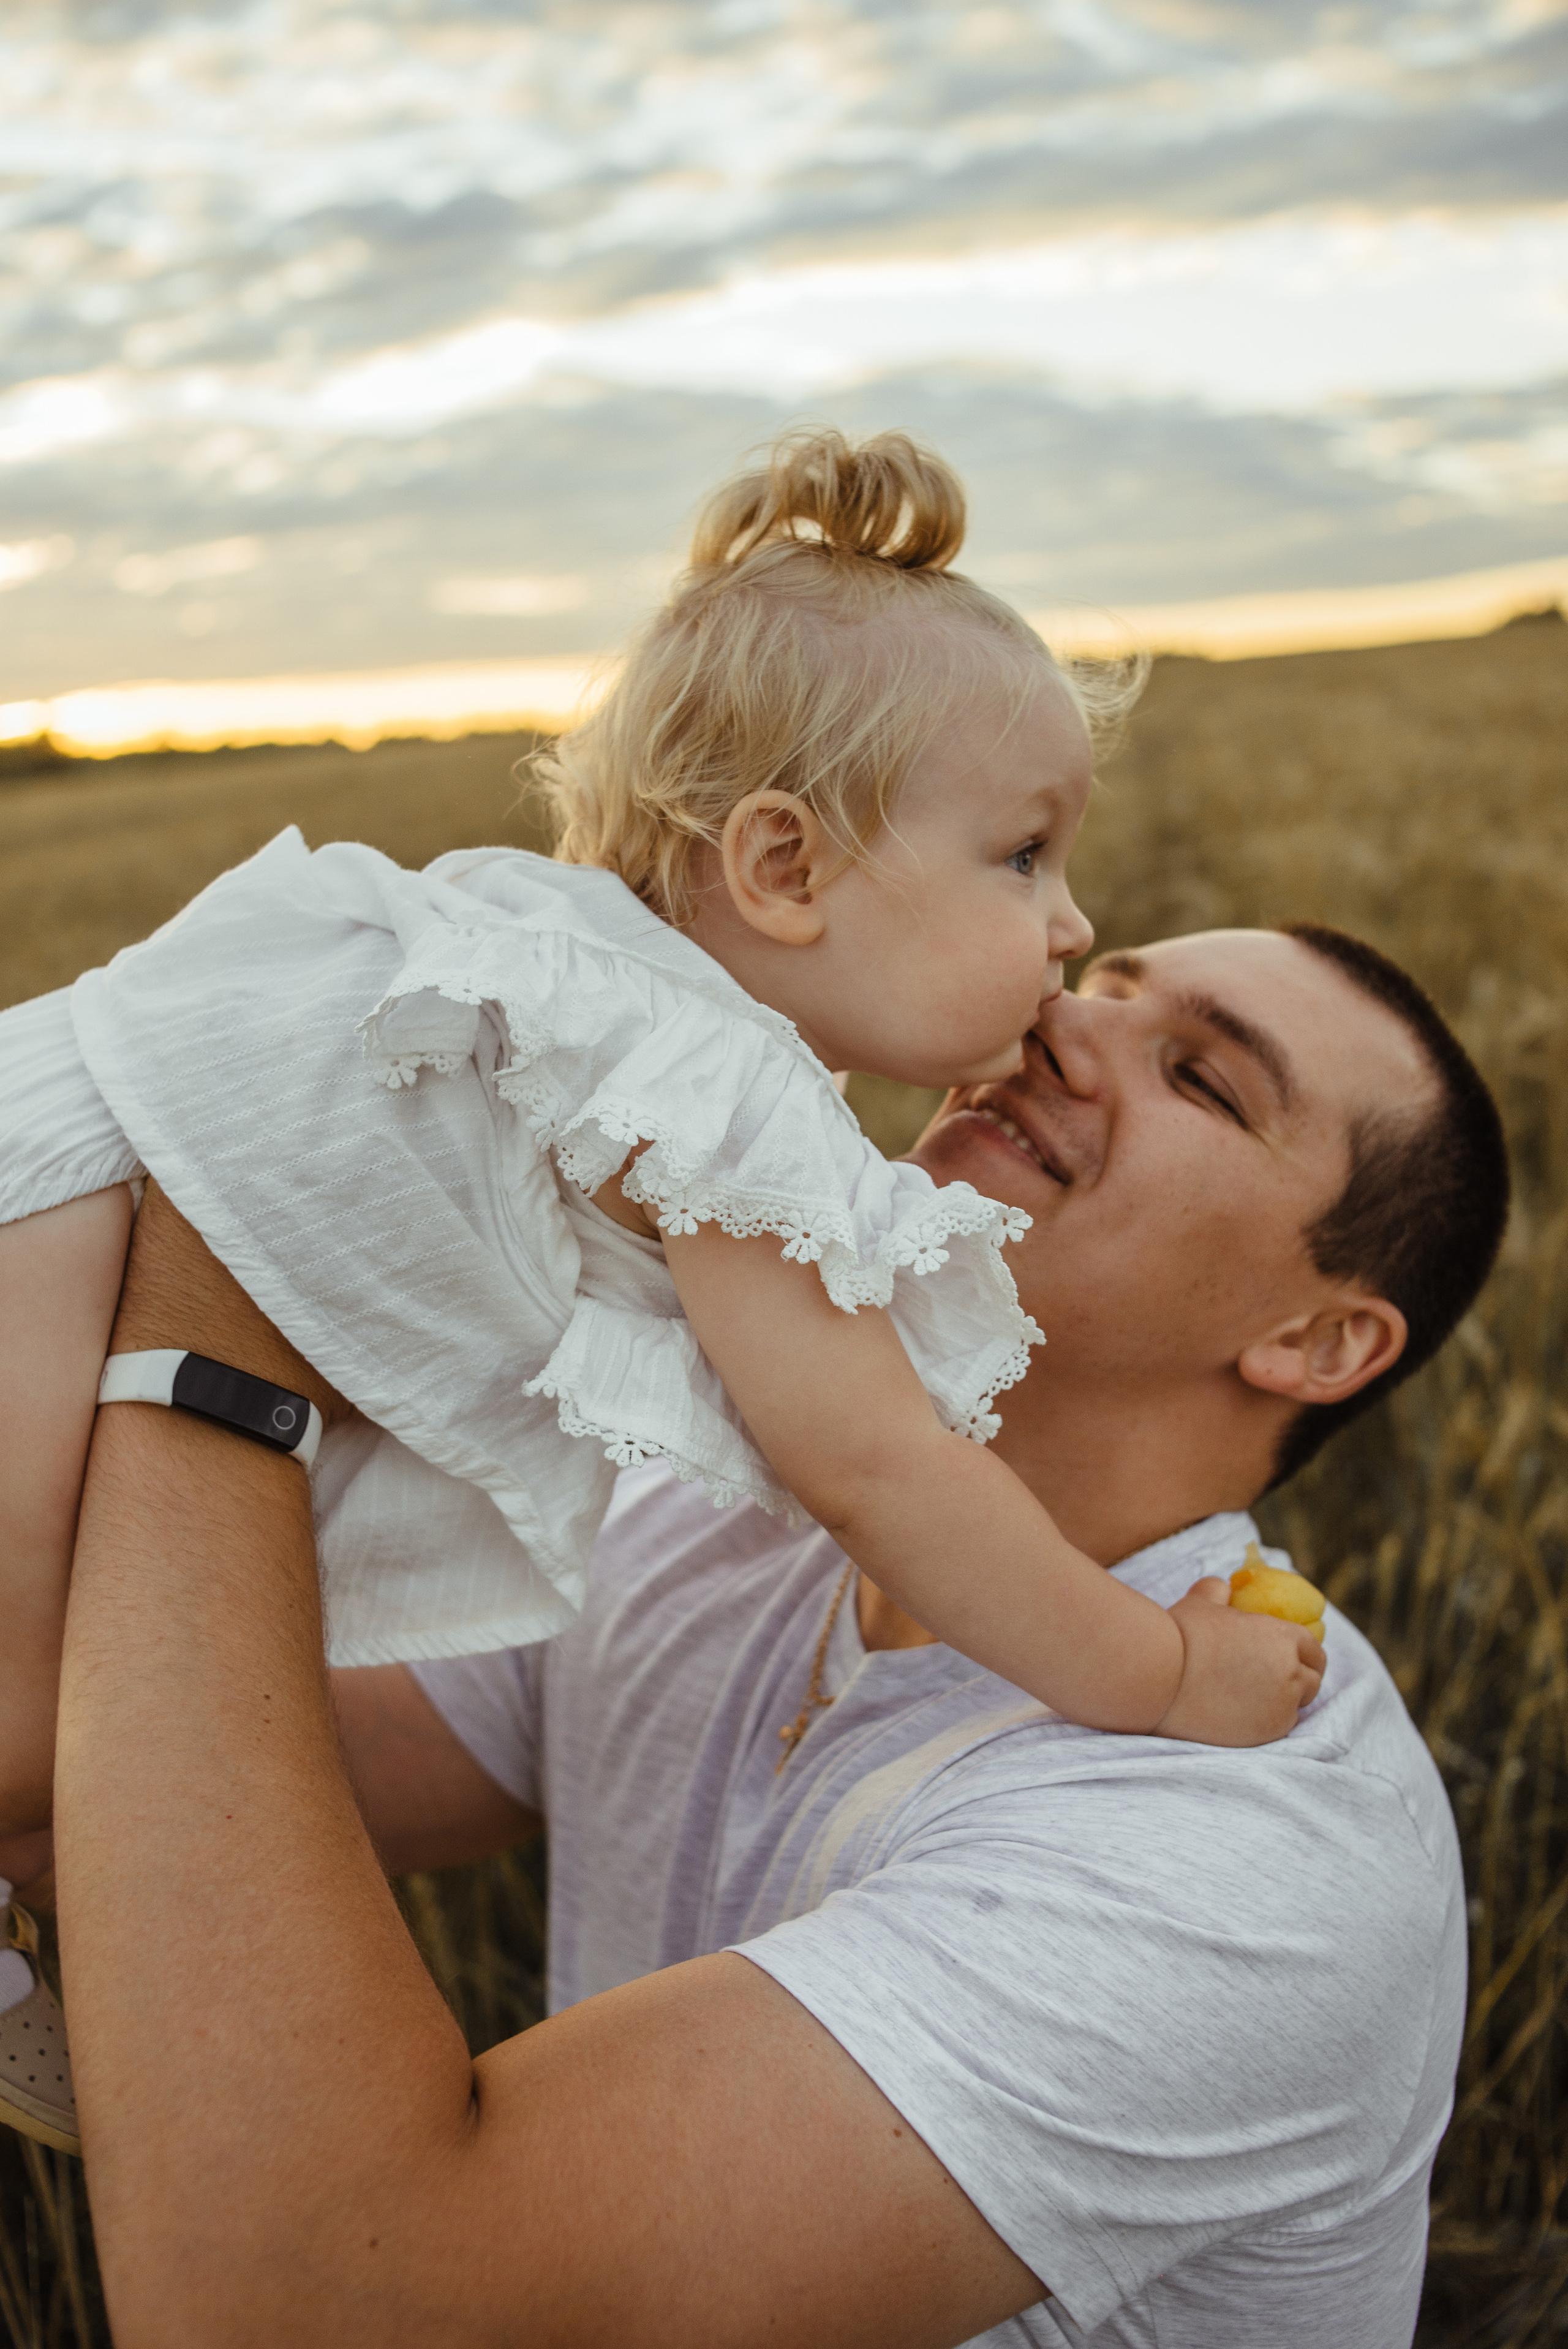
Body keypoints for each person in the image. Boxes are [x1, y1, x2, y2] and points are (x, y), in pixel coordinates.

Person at [28, 913, 1506, 2347]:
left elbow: (320, 2308)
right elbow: (183, 1779)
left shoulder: (1244, 1854)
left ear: (1316, 1342)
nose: (1060, 1022)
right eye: (1103, 986)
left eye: (1199, 1076)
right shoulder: (735, 1499)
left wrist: (219, 1325)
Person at [0, 425, 1322, 1984]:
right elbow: (877, 1469)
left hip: (65, 1162)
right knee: (32, 1733)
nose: (1070, 919)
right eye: (1022, 856)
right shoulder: (721, 1079)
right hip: (68, 1201)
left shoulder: (589, 972)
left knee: (67, 1702)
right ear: (782, 864)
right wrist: (1157, 1668)